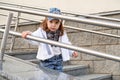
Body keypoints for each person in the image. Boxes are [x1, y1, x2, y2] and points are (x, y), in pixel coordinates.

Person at [21, 8, 78, 72]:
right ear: (46, 21)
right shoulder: (41, 31)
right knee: (46, 76)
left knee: (58, 76)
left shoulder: (62, 33)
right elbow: (34, 39)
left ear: (60, 23)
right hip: (46, 60)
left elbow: (66, 44)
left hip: (59, 59)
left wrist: (72, 52)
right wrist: (28, 35)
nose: (53, 25)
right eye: (51, 22)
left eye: (56, 23)